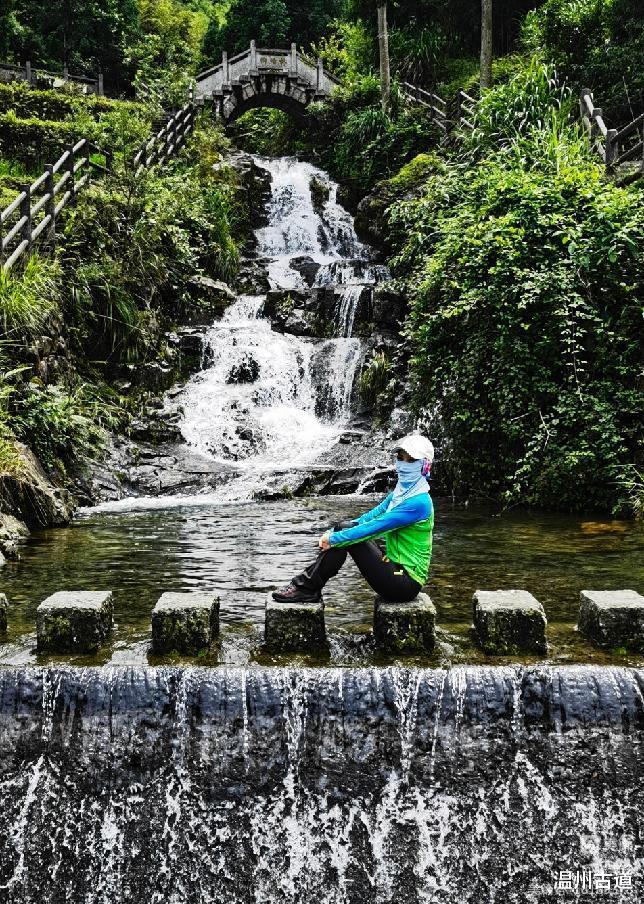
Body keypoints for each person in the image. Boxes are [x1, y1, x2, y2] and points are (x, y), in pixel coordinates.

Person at [272, 433, 435, 604]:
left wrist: (334, 539)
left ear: (425, 465)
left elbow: (376, 527)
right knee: (344, 527)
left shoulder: (419, 502)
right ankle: (307, 587)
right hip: (393, 568)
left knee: (349, 538)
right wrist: (332, 532)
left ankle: (306, 588)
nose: (403, 465)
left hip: (405, 582)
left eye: (411, 460)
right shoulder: (401, 493)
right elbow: (370, 517)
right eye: (400, 458)